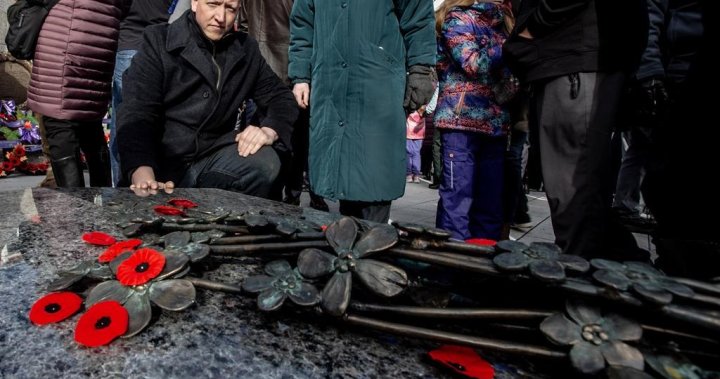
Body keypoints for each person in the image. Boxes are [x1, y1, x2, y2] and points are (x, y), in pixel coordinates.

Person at [503, 0, 649, 259]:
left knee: (574, 196)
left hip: (572, 59)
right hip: (576, 58)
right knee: (585, 195)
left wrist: (534, 27)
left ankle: (582, 285)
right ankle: (610, 274)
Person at [117, 0, 297, 198]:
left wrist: (269, 130)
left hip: (210, 162)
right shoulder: (158, 41)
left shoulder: (246, 50)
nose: (221, 17)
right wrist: (141, 170)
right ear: (194, 3)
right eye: (213, 4)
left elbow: (281, 97)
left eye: (230, 9)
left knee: (266, 161)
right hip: (161, 166)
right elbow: (137, 111)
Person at [289, 0, 436, 223]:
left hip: (377, 85)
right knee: (342, 179)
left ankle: (370, 242)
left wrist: (421, 69)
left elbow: (418, 17)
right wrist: (300, 75)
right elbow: (302, 22)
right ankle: (348, 245)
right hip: (330, 85)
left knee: (373, 176)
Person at [434, 0, 517, 241]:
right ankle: (450, 269)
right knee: (456, 201)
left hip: (496, 125)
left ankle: (482, 268)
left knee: (490, 204)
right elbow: (473, 63)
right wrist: (511, 45)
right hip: (460, 124)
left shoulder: (504, 22)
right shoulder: (457, 18)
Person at [238, 0, 329, 211]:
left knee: (269, 136)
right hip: (291, 69)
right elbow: (305, 25)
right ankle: (297, 194)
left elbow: (243, 24)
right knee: (300, 140)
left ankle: (273, 194)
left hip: (261, 69)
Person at [27, 0, 128, 188]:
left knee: (60, 126)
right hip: (101, 40)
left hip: (64, 39)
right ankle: (102, 203)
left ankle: (75, 209)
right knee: (90, 126)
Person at [109, 0, 175, 187]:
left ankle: (122, 186)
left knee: (126, 121)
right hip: (160, 40)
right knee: (141, 119)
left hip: (131, 39)